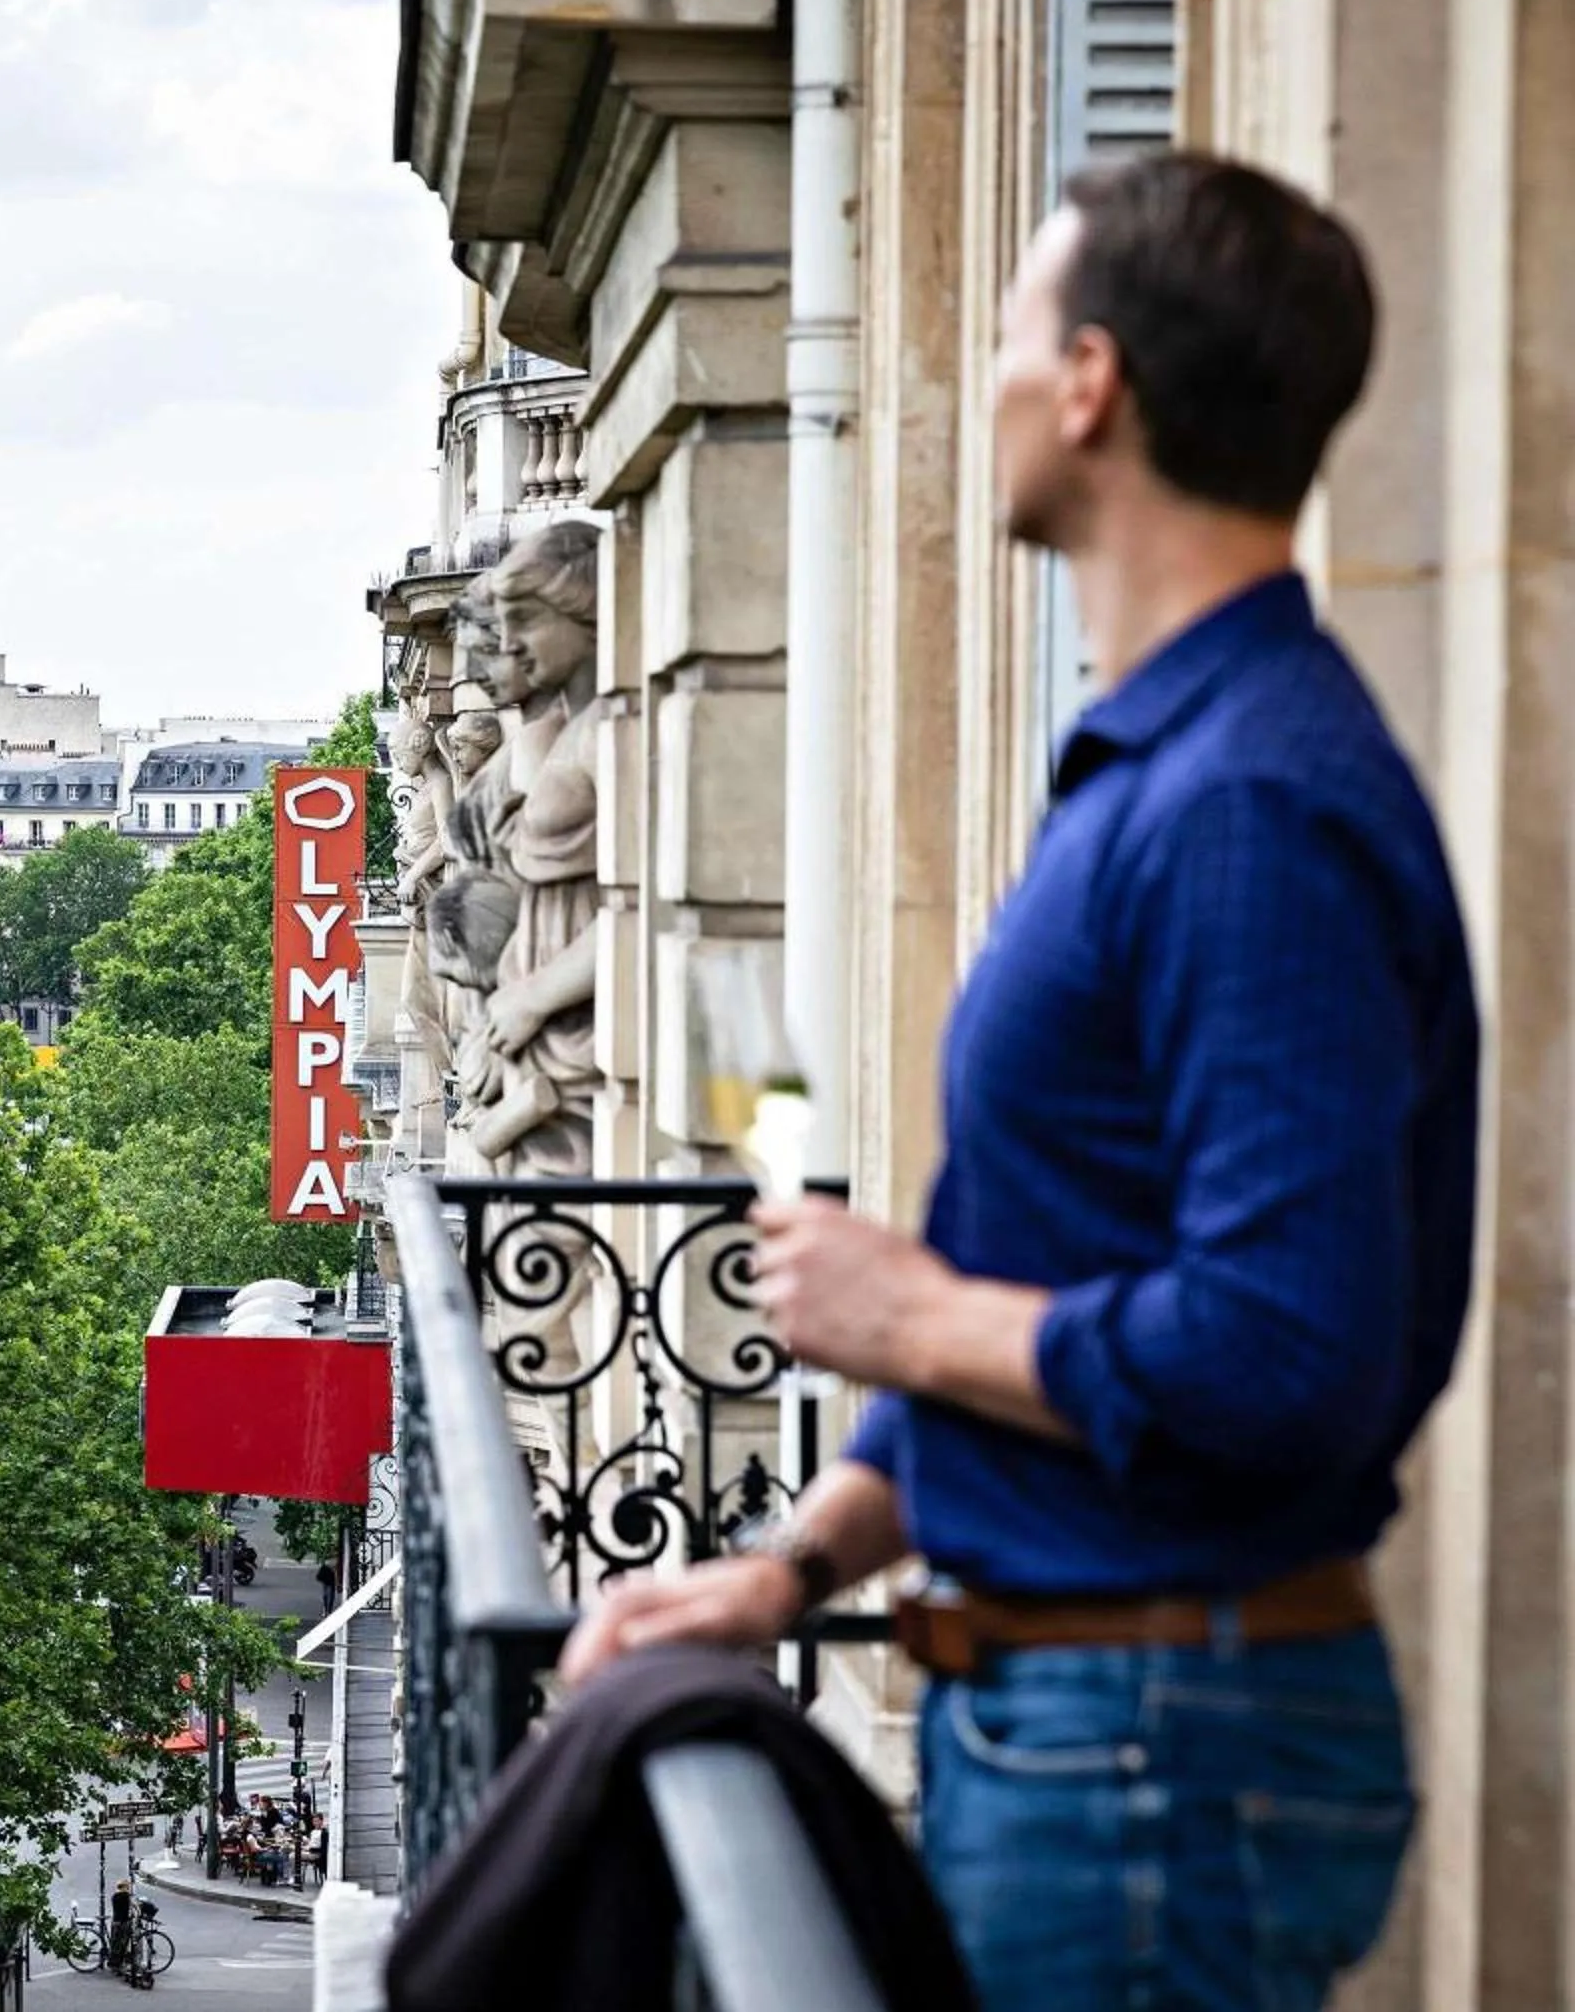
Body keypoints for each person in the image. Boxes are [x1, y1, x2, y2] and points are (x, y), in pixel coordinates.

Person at [560, 153, 1476, 2012]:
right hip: (1104, 1724)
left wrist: (913, 1312)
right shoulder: (1176, 769)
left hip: (1150, 1749)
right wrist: (790, 1564)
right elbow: (1058, 1270)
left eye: (1003, 333)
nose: (973, 378)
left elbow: (1288, 1347)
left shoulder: (1245, 806)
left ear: (1091, 386)